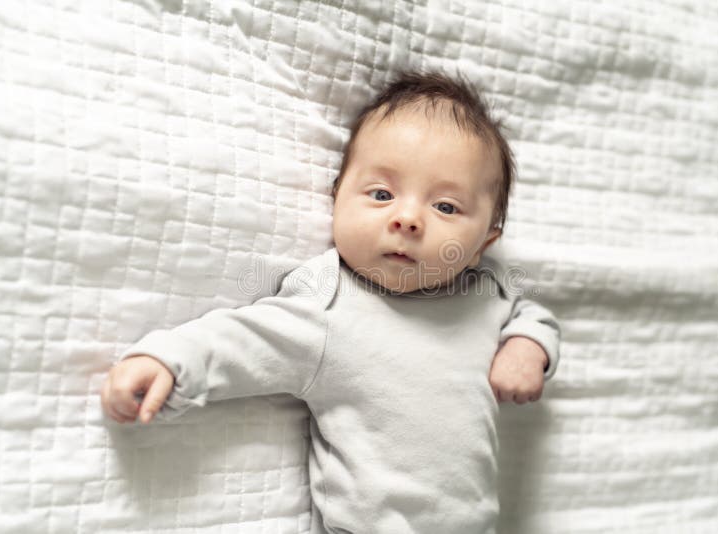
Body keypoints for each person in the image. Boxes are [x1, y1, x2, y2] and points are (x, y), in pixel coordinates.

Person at [101, 70, 561, 534]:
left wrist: (527, 347)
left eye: (445, 207)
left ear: (484, 244)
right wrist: (168, 361)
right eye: (381, 194)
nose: (407, 219)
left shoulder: (482, 292)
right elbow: (239, 341)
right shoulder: (330, 306)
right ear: (337, 197)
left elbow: (531, 314)